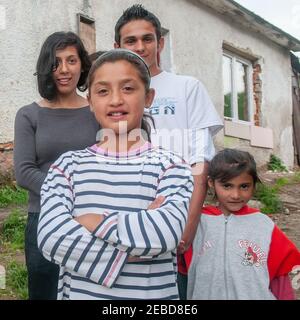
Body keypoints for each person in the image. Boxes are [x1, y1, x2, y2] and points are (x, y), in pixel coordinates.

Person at [37, 49, 193, 300]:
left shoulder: (171, 166)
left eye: (128, 88)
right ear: (89, 101)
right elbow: (50, 237)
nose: (115, 100)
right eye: (102, 91)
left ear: (149, 97)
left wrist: (89, 221)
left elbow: (166, 232)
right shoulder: (67, 167)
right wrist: (133, 247)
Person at [114, 4, 223, 299]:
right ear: (118, 46)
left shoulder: (187, 88)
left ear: (160, 42)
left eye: (147, 39)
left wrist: (187, 229)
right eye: (131, 41)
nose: (141, 47)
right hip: (124, 222)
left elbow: (200, 168)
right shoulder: (111, 95)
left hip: (175, 222)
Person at [14, 31, 99, 300]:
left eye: (71, 61)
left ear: (82, 65)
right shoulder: (29, 114)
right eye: (56, 62)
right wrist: (67, 194)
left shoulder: (97, 111)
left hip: (92, 220)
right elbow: (25, 172)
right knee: (45, 293)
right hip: (44, 218)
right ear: (46, 67)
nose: (63, 69)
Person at [187, 148, 300, 300]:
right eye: (227, 186)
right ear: (211, 183)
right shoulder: (197, 222)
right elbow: (181, 273)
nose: (236, 195)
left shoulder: (263, 225)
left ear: (254, 185)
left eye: (244, 186)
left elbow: (281, 279)